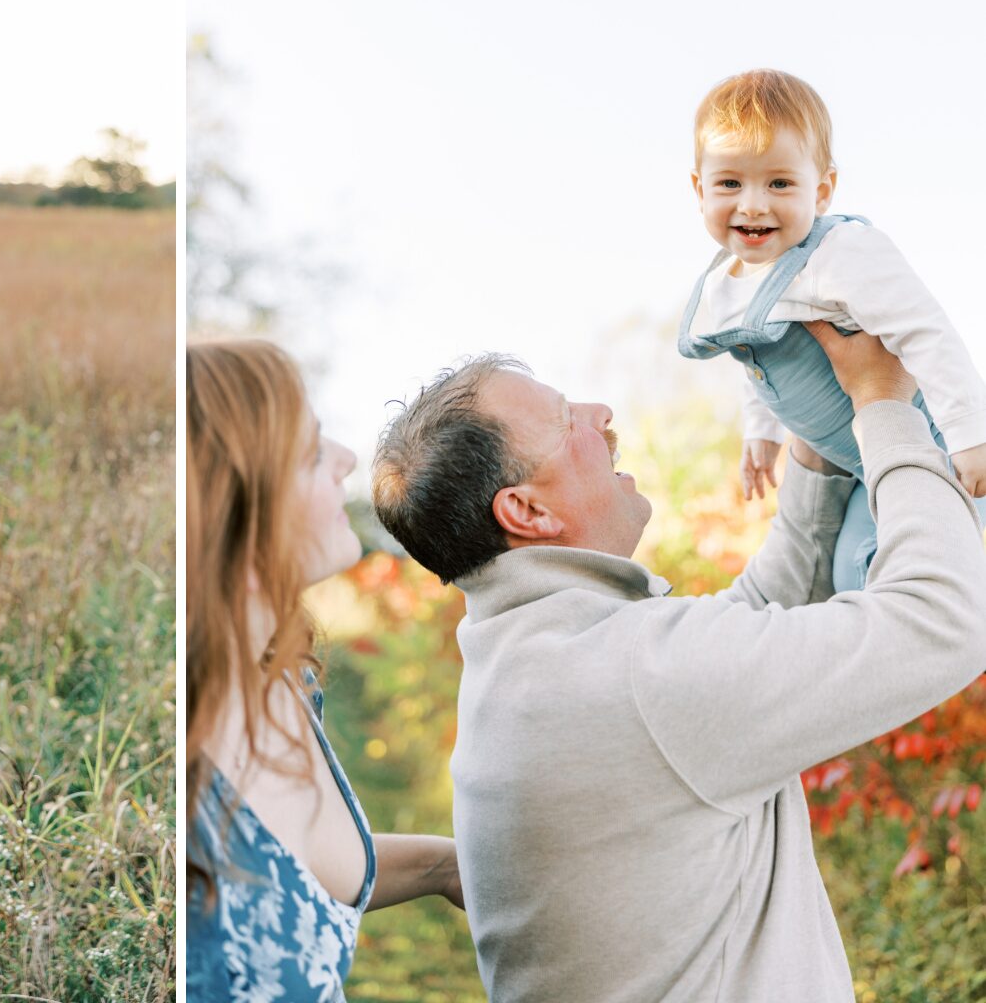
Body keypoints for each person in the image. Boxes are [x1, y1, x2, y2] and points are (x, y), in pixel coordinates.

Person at [370, 328, 986, 1002]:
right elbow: (945, 618)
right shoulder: (633, 676)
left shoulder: (535, 660)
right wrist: (882, 403)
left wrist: (813, 439)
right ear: (526, 510)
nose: (601, 413)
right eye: (566, 420)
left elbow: (747, 624)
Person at [186, 338, 463, 1002]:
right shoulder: (189, 787)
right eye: (311, 452)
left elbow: (313, 871)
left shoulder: (284, 679)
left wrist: (447, 866)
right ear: (236, 507)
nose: (347, 458)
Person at [680, 68, 986, 589]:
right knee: (851, 577)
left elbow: (925, 330)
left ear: (822, 191)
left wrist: (970, 433)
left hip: (934, 448)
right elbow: (754, 359)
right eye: (730, 183)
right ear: (699, 189)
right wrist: (762, 431)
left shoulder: (838, 253)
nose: (753, 204)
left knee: (905, 573)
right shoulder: (725, 285)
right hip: (863, 468)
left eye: (780, 183)